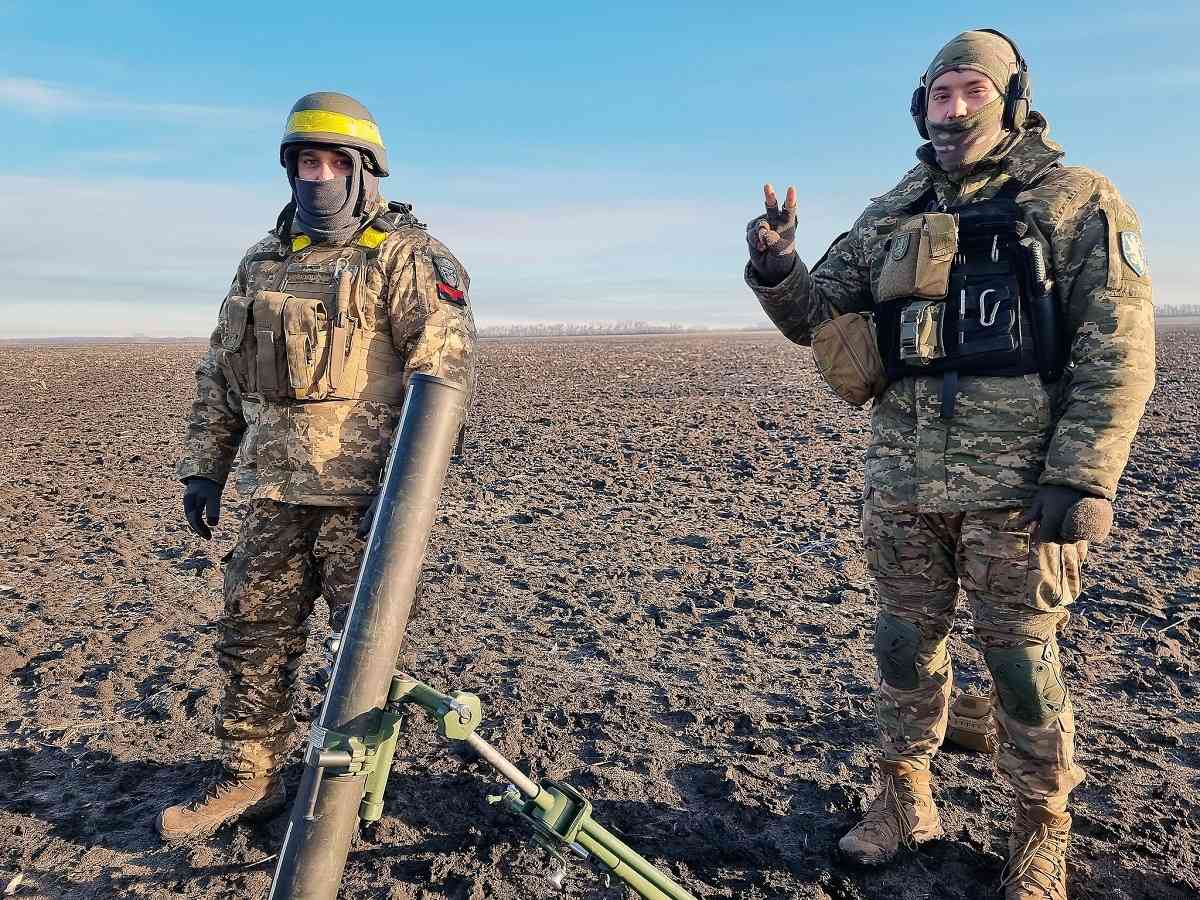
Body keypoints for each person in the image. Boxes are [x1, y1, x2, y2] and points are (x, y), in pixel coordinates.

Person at [744, 30, 1154, 900]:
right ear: (919, 105)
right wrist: (777, 267)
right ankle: (905, 798)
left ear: (1010, 101)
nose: (955, 108)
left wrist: (1082, 475)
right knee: (903, 644)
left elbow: (1119, 348)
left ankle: (1041, 830)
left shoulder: (1076, 199)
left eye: (974, 90)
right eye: (941, 92)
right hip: (903, 480)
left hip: (1019, 489)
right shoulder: (891, 214)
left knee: (1020, 662)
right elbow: (819, 316)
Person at [158, 92, 477, 840]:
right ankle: (250, 775)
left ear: (365, 172)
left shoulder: (405, 257)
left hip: (367, 502)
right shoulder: (261, 261)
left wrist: (409, 497)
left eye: (337, 163)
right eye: (308, 162)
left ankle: (347, 795)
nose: (321, 176)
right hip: (272, 494)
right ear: (289, 169)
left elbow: (444, 373)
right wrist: (204, 466)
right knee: (251, 639)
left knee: (365, 656)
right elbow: (222, 372)